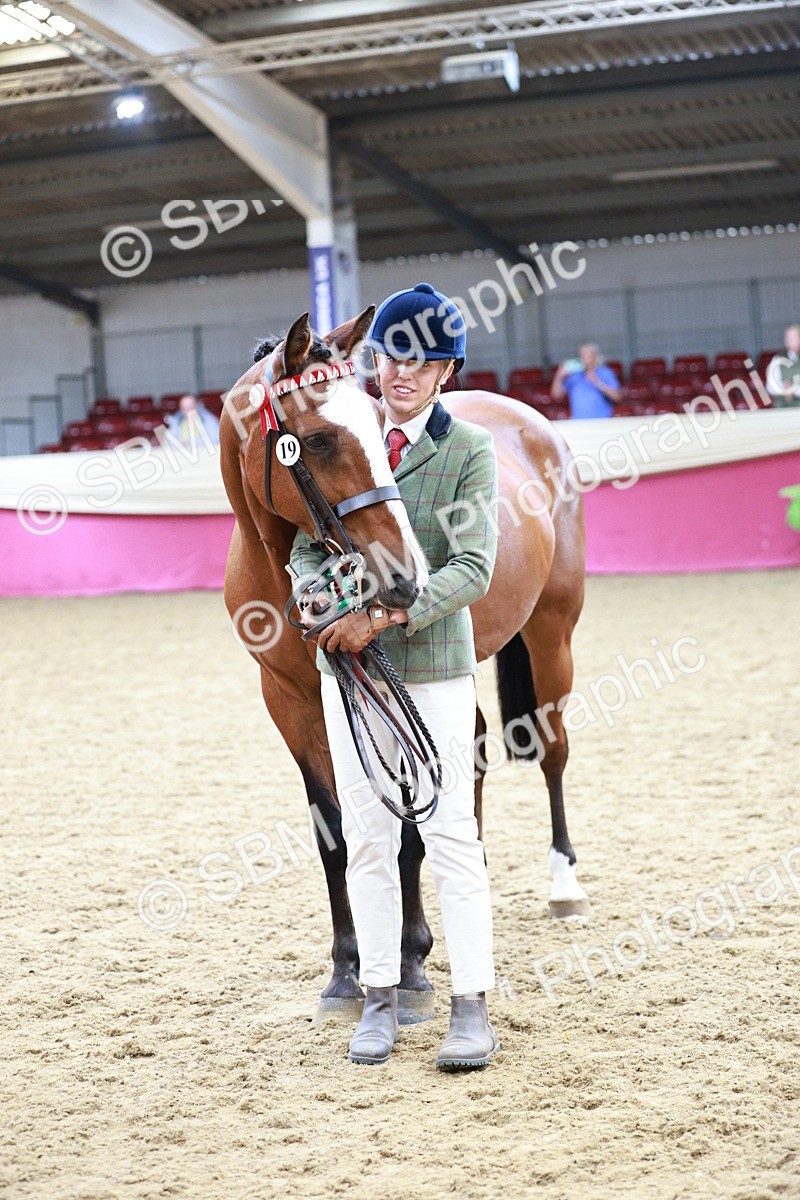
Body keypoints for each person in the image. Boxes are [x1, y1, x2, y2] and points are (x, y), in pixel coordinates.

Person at [289, 282, 500, 1069]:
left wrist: (378, 617)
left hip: (434, 668)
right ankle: (379, 996)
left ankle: (471, 1006)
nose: (400, 372)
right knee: (368, 837)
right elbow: (305, 546)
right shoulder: (346, 432)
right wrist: (323, 604)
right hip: (351, 676)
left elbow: (472, 567)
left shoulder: (469, 449)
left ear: (446, 371)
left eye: (420, 361)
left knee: (451, 836)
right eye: (389, 357)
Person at [550, 342, 621, 418]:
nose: (583, 358)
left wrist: (598, 383)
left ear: (595, 356)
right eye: (581, 355)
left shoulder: (605, 372)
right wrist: (559, 376)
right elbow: (556, 395)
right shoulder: (574, 375)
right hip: (579, 421)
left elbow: (617, 397)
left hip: (602, 420)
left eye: (587, 355)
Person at [766, 324, 800, 406]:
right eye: (787, 338)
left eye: (794, 338)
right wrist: (784, 389)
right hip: (782, 407)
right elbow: (770, 386)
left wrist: (793, 390)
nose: (790, 341)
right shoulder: (777, 359)